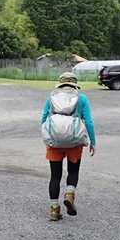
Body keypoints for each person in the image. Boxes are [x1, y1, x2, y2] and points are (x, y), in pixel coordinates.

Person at [41, 72, 96, 221]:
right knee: (73, 171)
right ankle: (69, 194)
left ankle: (54, 210)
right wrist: (93, 142)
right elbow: (89, 122)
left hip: (55, 142)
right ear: (74, 84)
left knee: (55, 176)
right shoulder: (81, 98)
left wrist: (49, 135)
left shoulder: (51, 98)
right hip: (74, 141)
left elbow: (43, 119)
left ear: (60, 84)